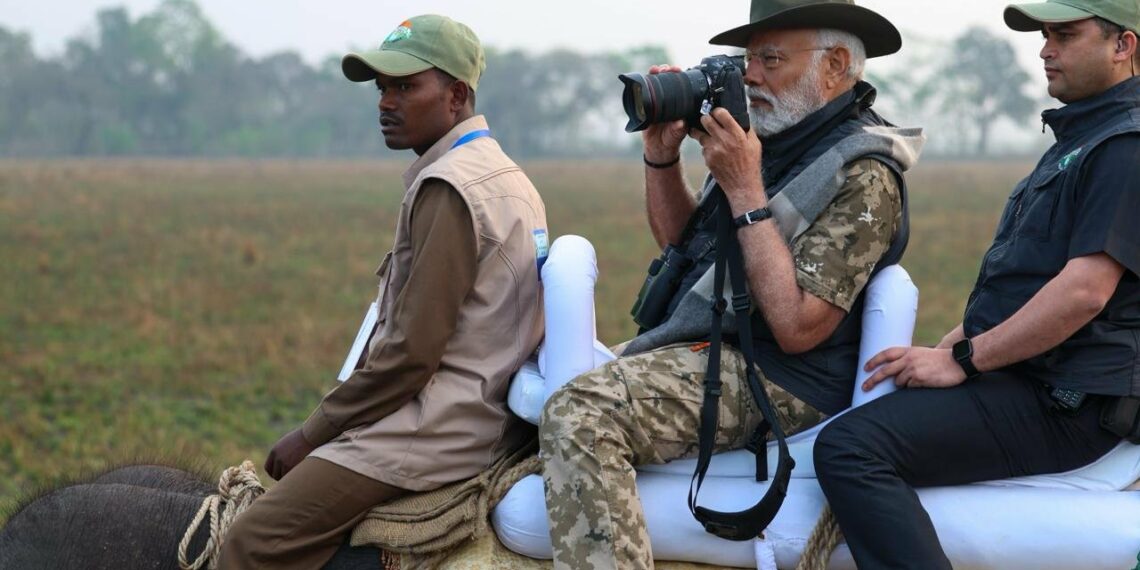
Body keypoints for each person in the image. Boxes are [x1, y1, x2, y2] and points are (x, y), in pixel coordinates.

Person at [538, 0, 924, 567]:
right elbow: (688, 249)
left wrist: (746, 188)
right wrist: (661, 158)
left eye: (770, 59)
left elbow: (798, 328)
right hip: (717, 344)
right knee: (535, 380)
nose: (750, 75)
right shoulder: (773, 137)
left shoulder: (863, 174)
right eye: (747, 59)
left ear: (836, 65)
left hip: (782, 375)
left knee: (582, 411)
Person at [813, 1, 1140, 568]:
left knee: (852, 448)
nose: (1045, 49)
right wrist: (943, 351)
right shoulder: (1082, 140)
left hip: (1068, 400)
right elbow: (1024, 285)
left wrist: (963, 361)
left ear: (1123, 46)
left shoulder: (1125, 147)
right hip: (1034, 380)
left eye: (1065, 34)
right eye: (1044, 36)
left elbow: (1085, 291)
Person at [217, 14, 549, 569]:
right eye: (381, 88)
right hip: (483, 416)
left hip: (436, 428)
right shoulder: (504, 174)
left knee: (253, 542)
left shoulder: (449, 187)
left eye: (405, 86)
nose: (384, 103)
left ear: (456, 95)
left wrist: (312, 432)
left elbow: (410, 357)